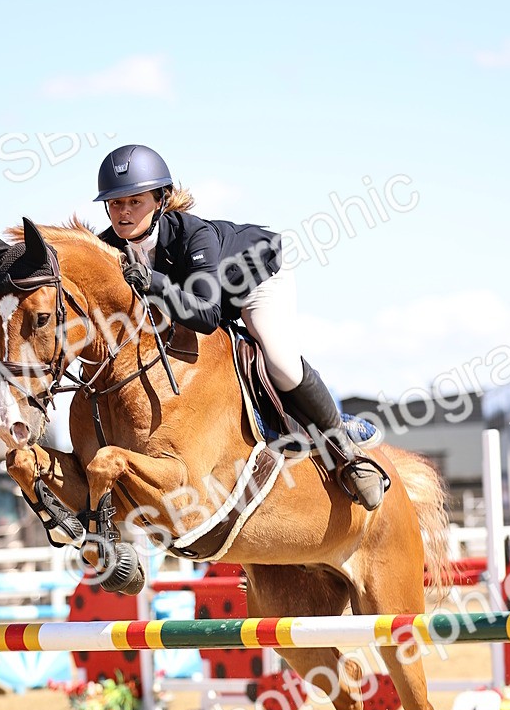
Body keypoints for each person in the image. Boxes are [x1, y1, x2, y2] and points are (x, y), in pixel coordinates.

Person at [94, 143, 386, 511]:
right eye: (115, 203)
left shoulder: (194, 236)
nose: (123, 212)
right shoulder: (107, 246)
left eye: (135, 202)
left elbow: (206, 316)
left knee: (280, 363)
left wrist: (154, 282)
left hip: (254, 282)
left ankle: (347, 452)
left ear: (160, 200)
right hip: (200, 297)